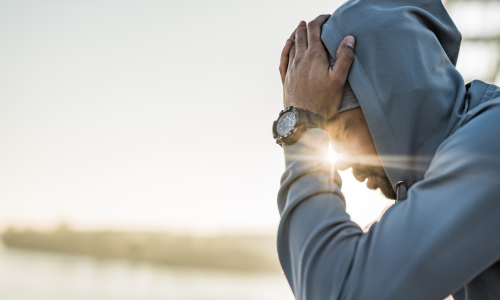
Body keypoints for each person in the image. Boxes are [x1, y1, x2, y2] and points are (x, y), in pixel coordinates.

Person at [273, 1, 500, 299]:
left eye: (339, 131)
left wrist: (301, 127)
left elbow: (338, 290)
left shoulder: (491, 145)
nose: (339, 162)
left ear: (392, 97)